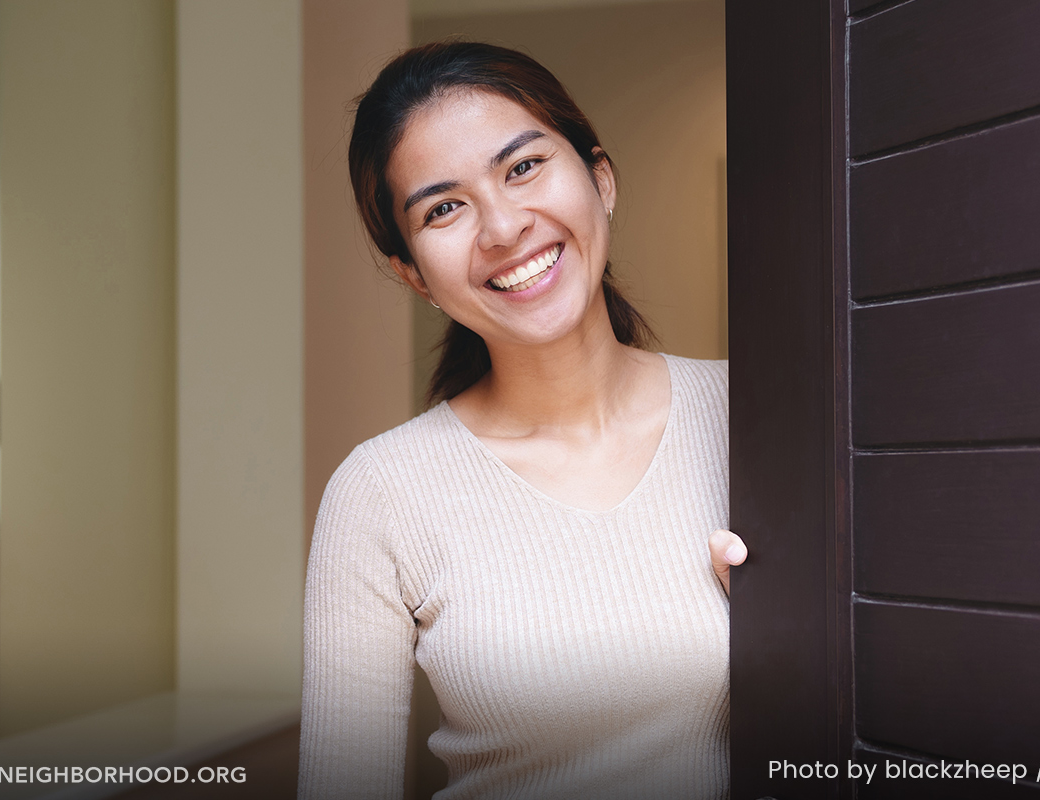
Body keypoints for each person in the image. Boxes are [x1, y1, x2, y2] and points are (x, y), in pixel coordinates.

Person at [298, 41, 748, 800]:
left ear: (600, 179)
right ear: (413, 274)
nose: (503, 227)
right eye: (444, 208)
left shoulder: (759, 417)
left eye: (524, 167)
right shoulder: (382, 492)